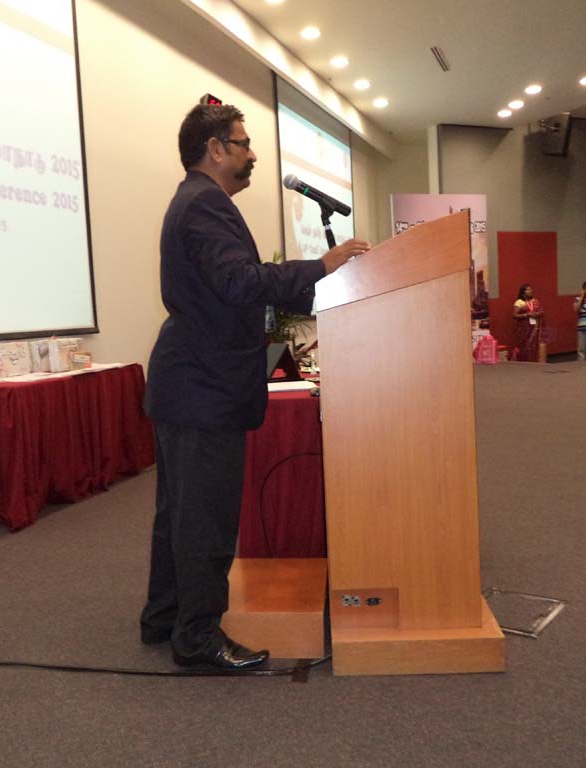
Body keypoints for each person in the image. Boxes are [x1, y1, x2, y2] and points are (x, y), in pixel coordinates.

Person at [141, 103, 370, 670]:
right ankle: (197, 638)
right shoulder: (205, 204)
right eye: (243, 144)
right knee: (205, 519)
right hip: (203, 389)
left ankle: (165, 617)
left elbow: (229, 289)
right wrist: (321, 267)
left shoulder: (196, 200)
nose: (253, 155)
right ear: (216, 149)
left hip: (188, 384)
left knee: (180, 513)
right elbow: (239, 282)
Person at [512, 284, 543, 361]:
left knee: (534, 345)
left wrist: (537, 314)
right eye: (528, 290)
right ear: (523, 292)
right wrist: (526, 314)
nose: (531, 291)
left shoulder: (535, 302)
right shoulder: (519, 302)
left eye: (531, 289)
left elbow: (541, 312)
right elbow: (514, 315)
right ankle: (524, 361)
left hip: (534, 328)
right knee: (524, 346)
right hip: (523, 329)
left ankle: (534, 360)